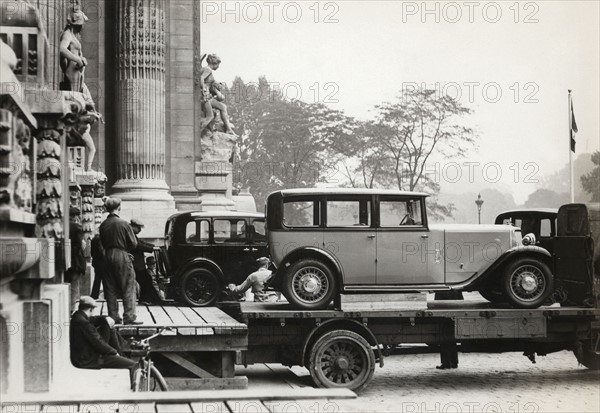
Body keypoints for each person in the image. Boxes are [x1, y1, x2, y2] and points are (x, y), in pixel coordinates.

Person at [70, 296, 138, 387]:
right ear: (91, 309)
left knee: (107, 325)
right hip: (89, 359)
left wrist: (106, 318)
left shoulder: (78, 316)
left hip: (86, 355)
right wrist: (114, 352)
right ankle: (134, 391)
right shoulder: (84, 323)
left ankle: (122, 355)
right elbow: (98, 343)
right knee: (133, 365)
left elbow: (93, 319)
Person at [99, 198, 141, 325]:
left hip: (107, 256)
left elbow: (101, 242)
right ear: (119, 207)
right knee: (128, 285)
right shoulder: (124, 223)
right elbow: (134, 243)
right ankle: (129, 317)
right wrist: (124, 250)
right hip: (121, 255)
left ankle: (114, 317)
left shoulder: (103, 225)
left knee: (110, 288)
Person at [199, 54, 236, 135]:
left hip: (207, 96)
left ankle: (228, 129)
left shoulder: (205, 69)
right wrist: (204, 90)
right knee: (210, 116)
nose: (218, 66)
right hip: (205, 96)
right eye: (218, 64)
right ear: (215, 63)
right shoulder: (208, 69)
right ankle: (197, 132)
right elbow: (201, 78)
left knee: (223, 107)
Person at [130, 219, 161, 304]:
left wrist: (154, 246)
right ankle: (148, 299)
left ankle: (145, 299)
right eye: (138, 228)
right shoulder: (130, 235)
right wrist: (152, 248)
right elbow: (139, 245)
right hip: (135, 264)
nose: (140, 230)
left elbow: (141, 242)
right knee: (146, 279)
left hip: (137, 263)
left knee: (146, 279)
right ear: (133, 226)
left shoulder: (132, 234)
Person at [434, 290, 464, 369]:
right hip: (455, 315)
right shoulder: (456, 287)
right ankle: (454, 362)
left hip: (444, 315)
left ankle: (446, 363)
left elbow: (437, 303)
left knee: (444, 340)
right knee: (452, 339)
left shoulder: (441, 289)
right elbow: (461, 301)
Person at [66, 206, 87, 313]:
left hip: (63, 259)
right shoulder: (77, 227)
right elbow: (81, 245)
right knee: (74, 285)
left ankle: (66, 308)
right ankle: (71, 309)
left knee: (65, 283)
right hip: (75, 260)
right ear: (74, 216)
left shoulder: (62, 225)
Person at [90, 232, 105, 299]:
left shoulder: (94, 238)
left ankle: (94, 295)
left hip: (96, 262)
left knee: (97, 279)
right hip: (102, 262)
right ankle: (106, 295)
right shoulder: (100, 239)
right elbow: (101, 251)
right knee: (105, 279)